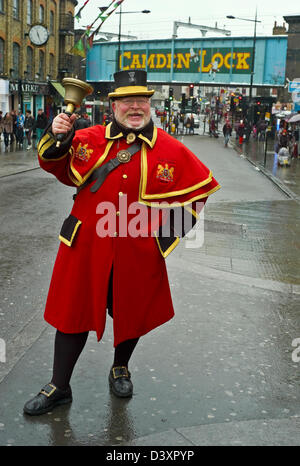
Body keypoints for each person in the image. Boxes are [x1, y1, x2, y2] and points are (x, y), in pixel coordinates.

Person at [23, 70, 220, 416]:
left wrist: (164, 238)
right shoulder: (86, 138)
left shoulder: (170, 148)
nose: (135, 106)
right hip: (85, 245)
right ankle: (59, 385)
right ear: (113, 104)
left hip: (137, 251)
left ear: (149, 104)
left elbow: (199, 193)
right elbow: (51, 163)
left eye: (141, 100)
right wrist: (57, 137)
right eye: (127, 100)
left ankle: (120, 367)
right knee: (72, 313)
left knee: (131, 313)